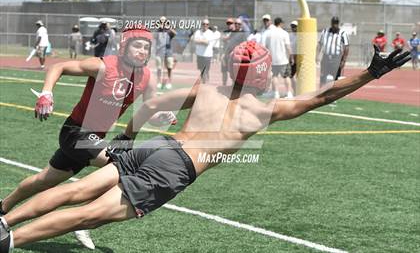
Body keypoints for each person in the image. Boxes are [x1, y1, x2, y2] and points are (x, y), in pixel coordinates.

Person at [0, 42, 411, 252]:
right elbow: (322, 97)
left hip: (156, 144)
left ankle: (4, 222)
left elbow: (156, 104)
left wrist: (127, 138)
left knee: (73, 190)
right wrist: (370, 73)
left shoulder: (208, 88)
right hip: (177, 167)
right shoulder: (261, 110)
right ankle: (9, 242)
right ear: (264, 73)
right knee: (86, 215)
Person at [0, 26, 175, 249]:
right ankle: (84, 218)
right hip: (75, 133)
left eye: (146, 47)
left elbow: (150, 110)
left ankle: (3, 207)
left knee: (43, 181)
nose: (143, 51)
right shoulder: (104, 65)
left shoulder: (147, 77)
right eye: (137, 45)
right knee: (120, 166)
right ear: (124, 47)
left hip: (95, 138)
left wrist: (162, 115)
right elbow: (59, 66)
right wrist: (46, 92)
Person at [265, 17, 293, 98]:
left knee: (275, 76)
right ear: (280, 23)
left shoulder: (269, 33)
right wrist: (291, 56)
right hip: (283, 60)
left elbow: (266, 46)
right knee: (286, 76)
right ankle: (289, 93)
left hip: (273, 59)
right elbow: (288, 46)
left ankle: (276, 93)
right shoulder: (284, 33)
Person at [317, 17, 350, 86]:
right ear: (331, 23)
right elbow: (320, 44)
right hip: (326, 56)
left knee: (336, 77)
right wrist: (317, 55)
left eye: (336, 23)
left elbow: (346, 47)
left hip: (336, 58)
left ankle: (334, 94)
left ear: (338, 24)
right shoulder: (325, 31)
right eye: (334, 23)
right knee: (323, 75)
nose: (335, 25)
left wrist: (343, 60)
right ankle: (321, 93)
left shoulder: (342, 33)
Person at [220, 18, 248, 85]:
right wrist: (223, 54)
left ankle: (234, 88)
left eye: (239, 24)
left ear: (241, 25)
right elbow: (229, 44)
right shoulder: (233, 33)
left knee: (234, 73)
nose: (237, 25)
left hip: (235, 56)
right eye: (235, 23)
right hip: (227, 55)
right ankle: (224, 87)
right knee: (224, 71)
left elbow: (245, 46)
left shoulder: (243, 33)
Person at [155, 16, 177, 89]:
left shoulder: (169, 31)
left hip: (168, 51)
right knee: (159, 67)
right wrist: (160, 27)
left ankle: (169, 82)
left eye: (164, 21)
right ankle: (158, 82)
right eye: (161, 21)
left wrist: (168, 28)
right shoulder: (158, 30)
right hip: (159, 51)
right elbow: (155, 37)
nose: (163, 23)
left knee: (169, 67)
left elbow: (175, 33)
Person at [192, 19, 214, 83]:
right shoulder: (198, 32)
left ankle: (206, 83)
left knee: (206, 70)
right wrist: (202, 41)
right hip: (199, 54)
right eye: (203, 24)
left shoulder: (210, 33)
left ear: (208, 25)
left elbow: (207, 43)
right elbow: (195, 41)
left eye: (207, 24)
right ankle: (204, 82)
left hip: (207, 55)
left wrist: (199, 40)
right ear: (201, 25)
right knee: (201, 70)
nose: (205, 25)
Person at [289, 20, 298, 91]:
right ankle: (295, 90)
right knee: (291, 76)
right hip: (292, 57)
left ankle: (298, 90)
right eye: (292, 26)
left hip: (299, 57)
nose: (293, 28)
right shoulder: (290, 35)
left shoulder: (301, 35)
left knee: (299, 76)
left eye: (294, 26)